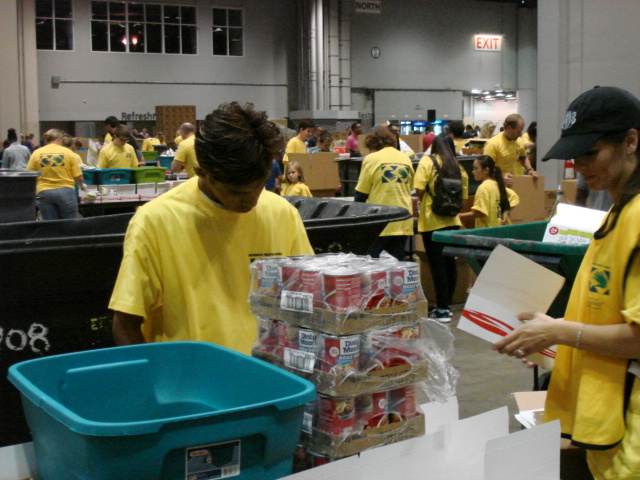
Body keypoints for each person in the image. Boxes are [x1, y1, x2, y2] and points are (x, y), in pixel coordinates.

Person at [493, 86, 640, 480]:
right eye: (574, 154)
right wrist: (551, 338)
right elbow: (603, 312)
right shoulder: (617, 213)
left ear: (630, 141)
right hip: (610, 427)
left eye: (591, 152)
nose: (579, 165)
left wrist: (561, 331)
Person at [109, 102, 313, 356]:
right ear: (201, 171)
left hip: (269, 379)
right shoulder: (156, 221)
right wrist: (152, 384)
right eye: (236, 192)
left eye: (259, 186)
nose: (251, 201)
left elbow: (309, 297)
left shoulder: (282, 214)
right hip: (191, 386)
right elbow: (126, 322)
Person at [414, 134, 469, 322]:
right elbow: (464, 198)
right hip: (453, 221)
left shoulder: (427, 162)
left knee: (437, 265)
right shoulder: (458, 167)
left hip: (432, 221)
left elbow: (419, 190)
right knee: (449, 263)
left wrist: (428, 201)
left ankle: (442, 309)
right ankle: (447, 306)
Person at [354, 123, 414, 261]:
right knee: (396, 268)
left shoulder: (371, 159)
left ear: (372, 143)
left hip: (379, 223)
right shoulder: (405, 158)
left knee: (372, 266)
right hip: (403, 220)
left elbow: (361, 194)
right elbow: (409, 187)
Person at [27, 129, 84, 220]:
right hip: (66, 192)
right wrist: (82, 185)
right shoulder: (68, 153)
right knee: (70, 225)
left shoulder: (36, 153)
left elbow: (29, 175)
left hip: (44, 192)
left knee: (51, 226)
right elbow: (79, 176)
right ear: (59, 139)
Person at [459, 155, 519, 228]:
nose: (473, 172)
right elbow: (515, 197)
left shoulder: (483, 188)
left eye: (476, 169)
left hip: (489, 231)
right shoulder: (497, 184)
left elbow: (480, 212)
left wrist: (459, 216)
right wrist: (506, 211)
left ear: (486, 170)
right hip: (501, 229)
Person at [483, 114, 537, 187]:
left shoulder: (519, 141)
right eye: (518, 132)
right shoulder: (492, 144)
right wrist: (501, 178)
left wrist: (530, 170)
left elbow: (523, 157)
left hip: (515, 185)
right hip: (498, 186)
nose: (520, 135)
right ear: (509, 128)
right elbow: (486, 168)